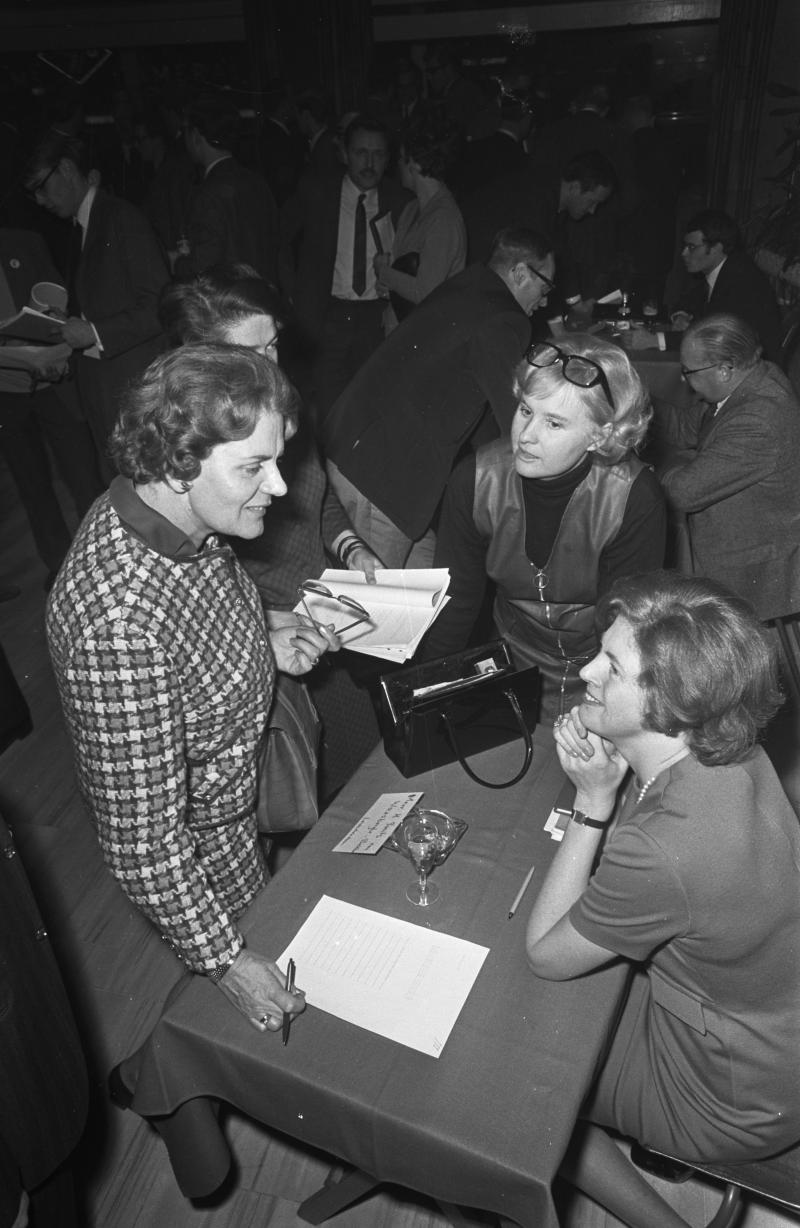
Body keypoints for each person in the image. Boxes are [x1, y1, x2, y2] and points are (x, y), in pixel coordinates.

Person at [47, 344, 339, 1032]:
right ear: (178, 465)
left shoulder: (180, 514)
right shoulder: (114, 622)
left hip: (244, 802)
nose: (279, 487)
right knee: (244, 1014)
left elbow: (194, 623)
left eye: (277, 458)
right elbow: (145, 842)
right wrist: (227, 959)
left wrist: (260, 639)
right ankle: (162, 1090)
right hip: (208, 856)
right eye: (253, 467)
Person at [526, 571, 800, 1228]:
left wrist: (591, 804)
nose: (587, 668)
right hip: (773, 1031)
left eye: (612, 666)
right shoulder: (738, 751)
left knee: (532, 1090)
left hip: (732, 1098)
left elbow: (545, 954)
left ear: (671, 703)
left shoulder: (666, 849)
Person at [158, 266, 382, 798]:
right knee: (299, 796)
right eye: (250, 357)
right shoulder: (195, 465)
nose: (271, 368)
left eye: (275, 346)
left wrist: (352, 549)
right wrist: (265, 623)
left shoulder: (280, 411)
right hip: (268, 642)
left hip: (322, 613)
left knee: (364, 770)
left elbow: (316, 497)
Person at [423, 335, 666, 717]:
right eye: (525, 410)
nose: (526, 436)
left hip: (601, 671)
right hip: (509, 671)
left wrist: (604, 712)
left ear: (599, 436)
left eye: (554, 423)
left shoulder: (634, 498)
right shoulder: (474, 479)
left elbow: (625, 628)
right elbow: (457, 606)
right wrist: (430, 695)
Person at [325, 227, 555, 569]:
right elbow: (515, 418)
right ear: (520, 273)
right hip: (381, 475)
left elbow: (480, 411)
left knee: (433, 588)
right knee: (374, 614)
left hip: (357, 447)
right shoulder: (507, 318)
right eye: (545, 286)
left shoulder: (469, 287)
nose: (546, 300)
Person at [25, 128, 168, 481]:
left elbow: (160, 305)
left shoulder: (120, 218)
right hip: (108, 394)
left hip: (132, 395)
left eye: (41, 187)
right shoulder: (83, 226)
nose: (40, 201)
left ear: (68, 170)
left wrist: (93, 331)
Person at [654, 313, 800, 625]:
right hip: (734, 548)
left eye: (688, 372)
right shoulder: (746, 381)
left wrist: (657, 471)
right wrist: (638, 402)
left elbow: (683, 493)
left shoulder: (760, 417)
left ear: (724, 369)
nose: (683, 380)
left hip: (752, 572)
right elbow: (683, 428)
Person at [278, 115, 411, 420]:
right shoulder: (317, 192)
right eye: (361, 153)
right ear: (344, 154)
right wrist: (292, 294)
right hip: (328, 316)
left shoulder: (401, 201)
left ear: (388, 159)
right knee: (328, 409)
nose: (369, 163)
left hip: (377, 318)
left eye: (378, 154)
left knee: (373, 406)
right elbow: (280, 239)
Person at [0, 226, 103, 587]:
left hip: (54, 381)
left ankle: (105, 558)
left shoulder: (24, 241)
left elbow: (58, 309)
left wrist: (58, 354)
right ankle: (61, 569)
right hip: (6, 392)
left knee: (83, 475)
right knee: (32, 485)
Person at [373, 111, 466, 333]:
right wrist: (389, 288)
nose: (397, 163)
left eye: (400, 156)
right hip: (400, 331)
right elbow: (406, 281)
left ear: (413, 161)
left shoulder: (444, 218)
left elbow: (425, 291)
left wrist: (383, 271)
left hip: (426, 337)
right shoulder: (411, 209)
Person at [175, 92, 280, 285]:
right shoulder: (256, 181)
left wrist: (178, 262)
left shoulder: (208, 193)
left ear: (197, 136)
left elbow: (203, 266)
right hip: (264, 297)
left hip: (231, 304)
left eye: (185, 131)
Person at [670, 210, 783, 362]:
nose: (684, 253)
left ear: (717, 248)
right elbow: (687, 301)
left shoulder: (741, 280)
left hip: (750, 370)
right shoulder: (722, 271)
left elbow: (714, 340)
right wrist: (681, 315)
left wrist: (657, 340)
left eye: (692, 247)